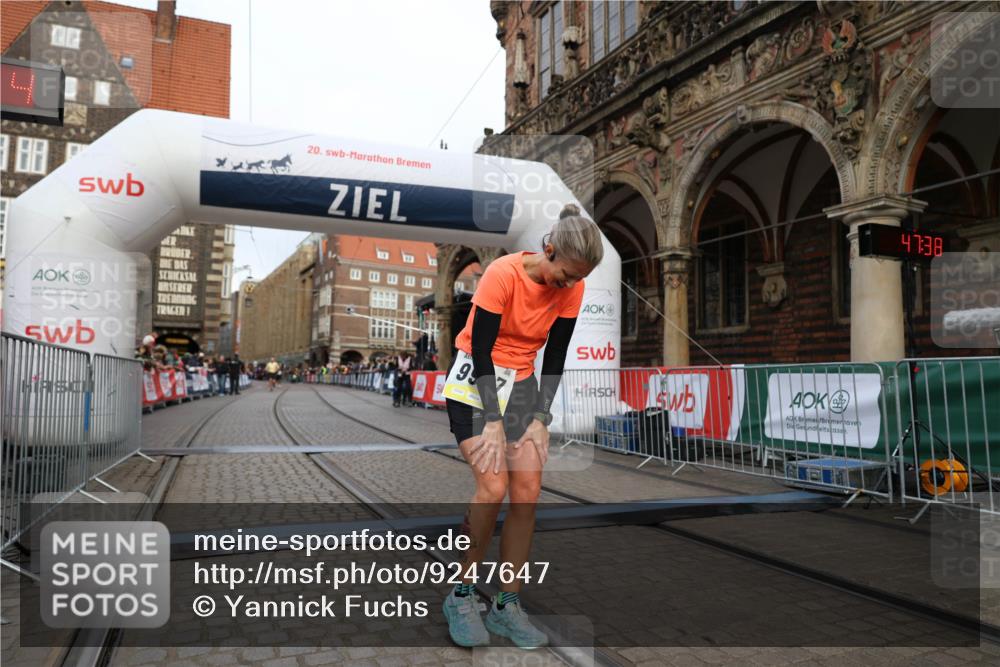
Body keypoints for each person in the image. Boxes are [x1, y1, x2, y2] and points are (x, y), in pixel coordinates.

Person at [442, 205, 603, 649]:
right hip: (477, 381)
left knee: (527, 493)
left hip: (524, 385)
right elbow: (481, 347)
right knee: (492, 488)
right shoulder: (502, 273)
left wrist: (541, 419)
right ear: (548, 249)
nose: (568, 285)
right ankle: (461, 594)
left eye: (576, 279)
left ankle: (507, 604)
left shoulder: (574, 285)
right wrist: (493, 420)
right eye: (564, 274)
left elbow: (556, 354)